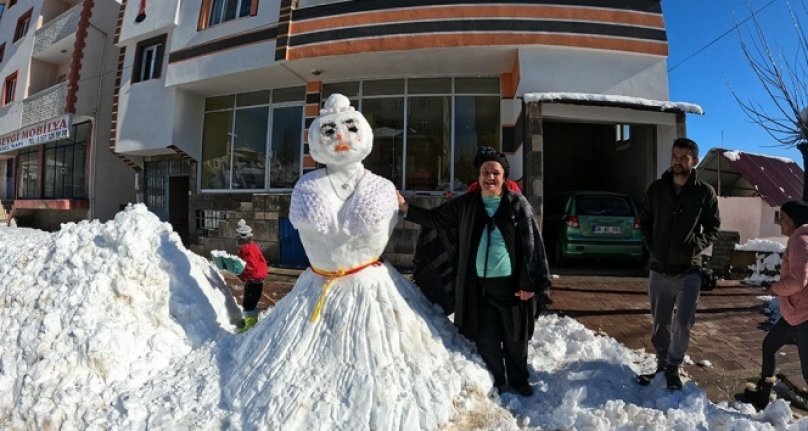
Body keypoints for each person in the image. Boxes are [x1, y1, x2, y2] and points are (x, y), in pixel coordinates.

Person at [397, 146, 551, 397]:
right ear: (478, 177)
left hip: (512, 286)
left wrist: (529, 283)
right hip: (479, 287)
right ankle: (498, 379)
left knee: (515, 338)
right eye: (485, 172)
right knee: (486, 338)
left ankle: (519, 379)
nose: (490, 177)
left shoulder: (516, 203)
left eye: (495, 173)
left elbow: (532, 243)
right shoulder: (467, 203)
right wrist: (406, 208)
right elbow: (436, 219)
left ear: (504, 177)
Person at [637, 137, 720, 390]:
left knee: (683, 323)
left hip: (688, 271)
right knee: (660, 323)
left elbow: (714, 227)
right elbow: (645, 220)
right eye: (675, 156)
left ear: (694, 161)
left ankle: (674, 365)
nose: (678, 161)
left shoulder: (704, 192)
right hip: (659, 269)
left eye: (684, 158)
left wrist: (696, 243)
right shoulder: (657, 189)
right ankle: (662, 364)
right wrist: (652, 246)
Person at [744, 200, 808, 410]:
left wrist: (774, 288)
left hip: (803, 315)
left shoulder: (800, 241)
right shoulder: (801, 239)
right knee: (770, 345)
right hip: (794, 313)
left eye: (782, 217)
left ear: (792, 219)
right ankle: (763, 395)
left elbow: (798, 281)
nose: (779, 222)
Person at [235, 219, 268, 332]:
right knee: (249, 302)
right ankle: (250, 321)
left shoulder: (248, 249)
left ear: (243, 237)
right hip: (253, 279)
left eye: (238, 237)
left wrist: (243, 276)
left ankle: (251, 325)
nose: (237, 239)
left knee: (249, 303)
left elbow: (251, 266)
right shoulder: (249, 247)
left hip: (254, 279)